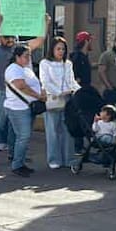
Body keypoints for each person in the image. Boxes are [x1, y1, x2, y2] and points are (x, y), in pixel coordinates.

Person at [0, 14, 46, 166]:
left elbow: (39, 40)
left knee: (14, 127)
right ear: (0, 37)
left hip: (20, 95)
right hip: (1, 91)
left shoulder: (20, 49)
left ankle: (14, 154)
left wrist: (45, 23)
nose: (9, 39)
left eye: (11, 36)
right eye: (6, 36)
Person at [39, 37, 79, 170]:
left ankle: (69, 158)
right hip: (53, 99)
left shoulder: (67, 63)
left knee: (67, 129)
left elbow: (71, 80)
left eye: (63, 49)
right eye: (58, 48)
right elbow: (45, 81)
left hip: (67, 98)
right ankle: (54, 159)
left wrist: (78, 91)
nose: (61, 51)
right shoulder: (45, 63)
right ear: (52, 49)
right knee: (53, 130)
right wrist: (58, 92)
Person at [3, 45, 43, 178]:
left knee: (21, 137)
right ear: (17, 57)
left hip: (25, 107)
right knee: (23, 136)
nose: (28, 58)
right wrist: (39, 96)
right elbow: (21, 86)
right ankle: (17, 165)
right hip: (18, 108)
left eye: (29, 56)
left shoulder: (24, 69)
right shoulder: (14, 69)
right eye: (26, 56)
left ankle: (20, 161)